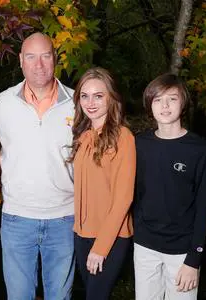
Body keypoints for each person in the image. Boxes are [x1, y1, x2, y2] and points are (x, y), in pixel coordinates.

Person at [0, 32, 75, 300]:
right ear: (21, 61)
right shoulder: (2, 104)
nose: (38, 64)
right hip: (17, 219)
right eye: (31, 57)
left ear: (55, 58)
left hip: (64, 219)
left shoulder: (79, 103)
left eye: (45, 56)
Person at [133, 73, 206, 300]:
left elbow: (203, 207)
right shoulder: (140, 144)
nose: (165, 106)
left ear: (183, 102)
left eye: (172, 99)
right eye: (158, 100)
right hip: (145, 247)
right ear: (150, 105)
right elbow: (134, 194)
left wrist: (194, 259)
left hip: (182, 251)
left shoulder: (199, 149)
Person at [68, 67, 136, 299]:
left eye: (99, 95)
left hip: (111, 237)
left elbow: (123, 198)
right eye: (84, 96)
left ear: (112, 98)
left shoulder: (123, 137)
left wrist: (101, 247)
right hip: (81, 234)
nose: (91, 102)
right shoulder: (83, 136)